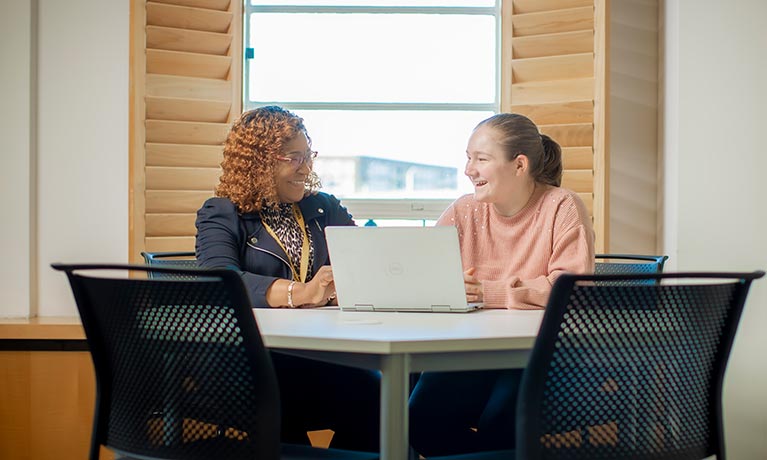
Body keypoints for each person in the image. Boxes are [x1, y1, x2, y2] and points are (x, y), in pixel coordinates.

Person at [409, 113, 595, 456]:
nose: (469, 169)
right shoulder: (463, 211)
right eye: (468, 158)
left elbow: (570, 289)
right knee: (420, 420)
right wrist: (439, 287)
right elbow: (422, 276)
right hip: (468, 352)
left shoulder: (561, 206)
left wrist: (487, 292)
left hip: (537, 356)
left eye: (481, 159)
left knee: (500, 424)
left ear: (519, 164)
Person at [195, 106, 379, 452]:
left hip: (317, 356)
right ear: (259, 160)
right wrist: (302, 293)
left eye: (309, 157)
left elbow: (368, 263)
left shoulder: (323, 208)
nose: (307, 169)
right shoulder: (222, 213)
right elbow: (219, 281)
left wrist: (350, 286)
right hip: (243, 368)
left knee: (378, 395)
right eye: (294, 158)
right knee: (292, 415)